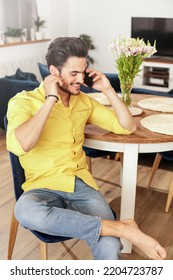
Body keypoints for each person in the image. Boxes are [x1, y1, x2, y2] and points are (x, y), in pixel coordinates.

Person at [6, 37, 166, 260]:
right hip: (42, 187)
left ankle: (115, 231)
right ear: (54, 72)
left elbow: (127, 127)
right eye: (73, 74)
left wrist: (109, 89)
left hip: (81, 186)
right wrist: (50, 99)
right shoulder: (23, 101)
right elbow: (22, 143)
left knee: (109, 245)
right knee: (25, 211)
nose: (81, 80)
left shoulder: (84, 102)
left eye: (83, 72)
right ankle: (122, 227)